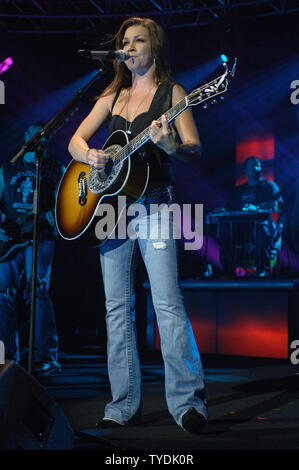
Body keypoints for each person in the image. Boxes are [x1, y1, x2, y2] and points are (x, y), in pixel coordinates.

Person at [68, 17, 207, 433]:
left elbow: (194, 149)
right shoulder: (112, 96)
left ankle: (187, 405)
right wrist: (90, 155)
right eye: (124, 42)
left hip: (156, 206)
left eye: (138, 40)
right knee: (116, 309)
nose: (128, 48)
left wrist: (171, 146)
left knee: (167, 302)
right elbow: (75, 140)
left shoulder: (174, 93)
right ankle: (122, 405)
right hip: (112, 211)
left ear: (155, 47)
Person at [0, 122, 64, 374]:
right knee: (3, 293)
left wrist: (52, 218)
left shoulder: (55, 168)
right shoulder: (9, 167)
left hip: (42, 237)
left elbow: (63, 207)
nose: (40, 137)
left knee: (38, 290)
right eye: (35, 133)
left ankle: (44, 355)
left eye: (45, 134)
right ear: (26, 136)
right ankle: (6, 354)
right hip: (8, 240)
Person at [223, 156, 284, 275]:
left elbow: (277, 204)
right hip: (242, 228)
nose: (256, 168)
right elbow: (230, 207)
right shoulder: (239, 190)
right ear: (245, 171)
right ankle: (228, 269)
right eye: (252, 167)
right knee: (225, 231)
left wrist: (257, 208)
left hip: (265, 226)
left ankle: (262, 268)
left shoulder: (270, 186)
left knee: (260, 230)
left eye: (258, 165)